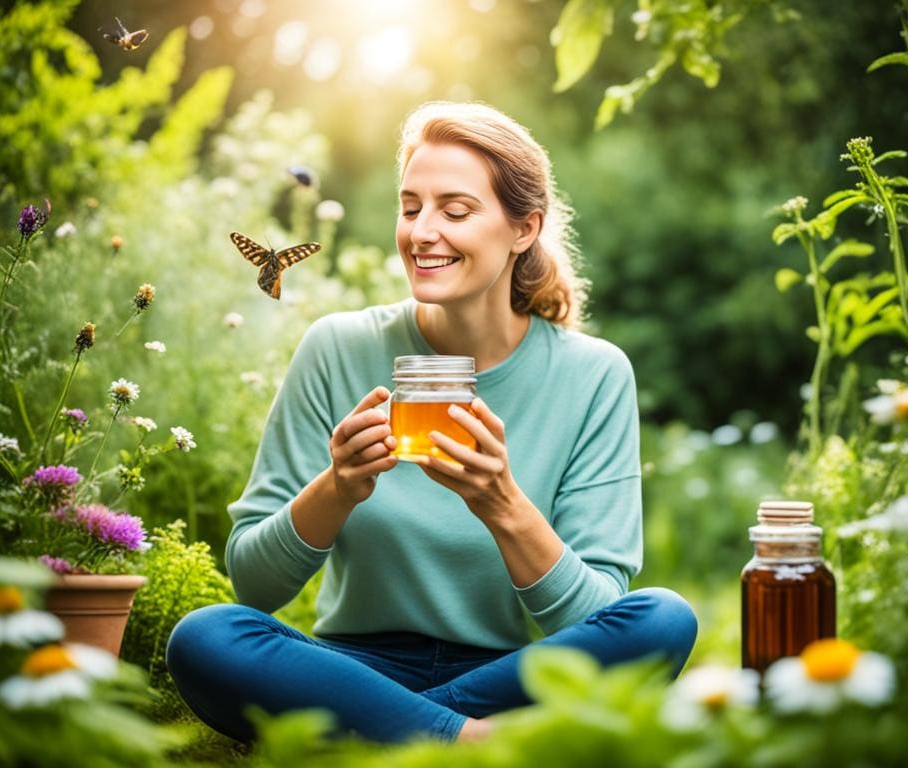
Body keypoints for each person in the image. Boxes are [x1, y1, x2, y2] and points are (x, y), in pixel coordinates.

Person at [166, 101, 697, 744]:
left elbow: (600, 616)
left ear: (523, 228)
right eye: (410, 206)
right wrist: (337, 487)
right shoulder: (337, 347)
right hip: (352, 665)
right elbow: (252, 584)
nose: (421, 232)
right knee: (206, 636)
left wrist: (502, 505)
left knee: (664, 619)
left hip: (508, 672)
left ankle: (391, 732)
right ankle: (474, 742)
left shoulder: (593, 375)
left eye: (455, 210)